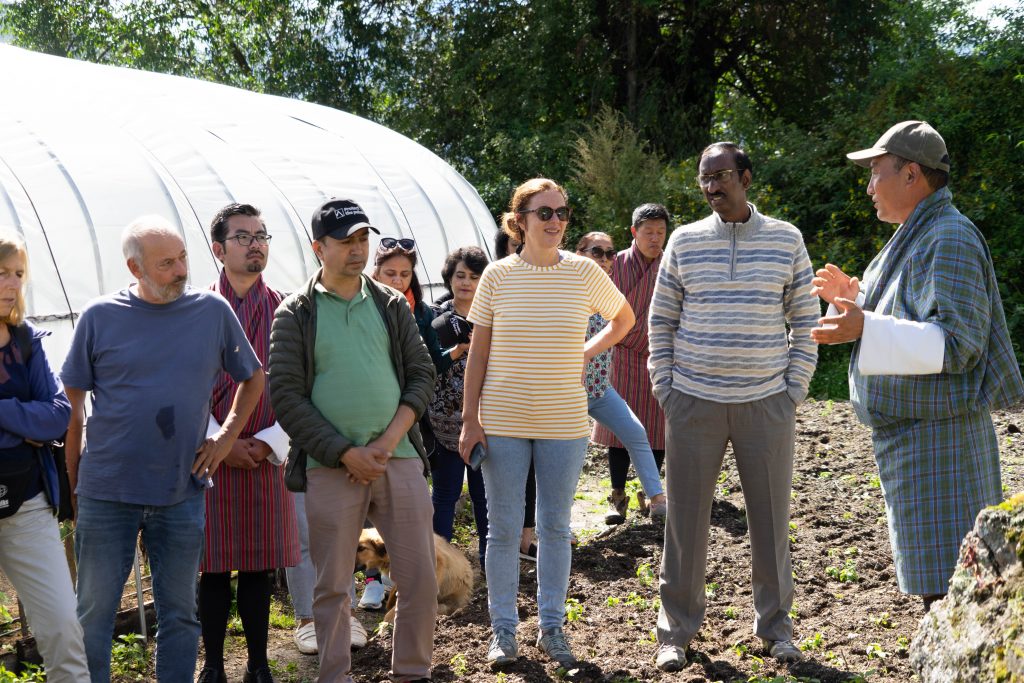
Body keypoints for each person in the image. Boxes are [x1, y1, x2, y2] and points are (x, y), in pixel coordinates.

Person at [810, 120, 1024, 609]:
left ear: (911, 174)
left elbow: (959, 344)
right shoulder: (923, 231)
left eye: (875, 173)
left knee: (952, 594)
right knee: (943, 590)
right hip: (920, 440)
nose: (868, 188)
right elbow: (914, 314)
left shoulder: (949, 237)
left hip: (940, 445)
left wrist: (866, 326)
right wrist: (859, 298)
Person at [62, 216, 264, 683]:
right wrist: (74, 482)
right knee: (93, 614)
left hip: (180, 490)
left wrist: (226, 436)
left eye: (183, 258)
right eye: (166, 263)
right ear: (135, 268)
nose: (180, 270)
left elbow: (253, 379)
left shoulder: (211, 312)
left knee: (180, 614)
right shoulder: (100, 316)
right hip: (107, 489)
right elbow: (72, 408)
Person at [648, 142, 819, 671]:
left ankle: (775, 628)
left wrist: (792, 390)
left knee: (769, 520)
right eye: (704, 178)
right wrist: (667, 389)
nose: (711, 186)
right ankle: (675, 631)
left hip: (765, 404)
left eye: (721, 176)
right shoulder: (684, 240)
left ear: (745, 177)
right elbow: (661, 321)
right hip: (693, 403)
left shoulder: (786, 239)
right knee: (684, 523)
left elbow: (805, 321)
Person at [460, 178, 634, 670]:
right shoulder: (496, 276)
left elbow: (623, 320)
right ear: (519, 221)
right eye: (544, 213)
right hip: (503, 419)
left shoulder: (583, 273)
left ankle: (552, 629)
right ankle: (503, 633)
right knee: (502, 529)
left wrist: (587, 350)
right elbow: (479, 353)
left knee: (556, 528)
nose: (555, 221)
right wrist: (470, 420)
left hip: (564, 420)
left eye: (562, 212)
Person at [268, 198, 437, 683]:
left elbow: (421, 374)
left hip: (397, 457)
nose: (357, 250)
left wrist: (386, 440)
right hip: (329, 465)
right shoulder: (295, 313)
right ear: (318, 247)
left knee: (420, 578)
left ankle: (412, 673)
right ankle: (334, 675)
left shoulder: (388, 304)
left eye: (363, 239)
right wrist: (345, 452)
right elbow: (287, 396)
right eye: (345, 242)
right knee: (332, 586)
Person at [197, 203, 301, 683]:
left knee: (259, 567)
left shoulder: (286, 310)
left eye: (261, 235)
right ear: (218, 249)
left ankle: (259, 665)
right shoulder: (194, 310)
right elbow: (181, 386)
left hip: (265, 454)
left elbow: (300, 385)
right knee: (212, 568)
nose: (255, 243)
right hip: (208, 458)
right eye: (243, 236)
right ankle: (214, 666)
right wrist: (218, 441)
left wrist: (266, 441)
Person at [0, 230, 90, 683]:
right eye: (0, 273)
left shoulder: (26, 340)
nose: (11, 284)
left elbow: (56, 415)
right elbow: (36, 418)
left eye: (17, 273)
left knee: (61, 625)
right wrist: (20, 426)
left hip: (26, 504)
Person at [575, 232, 666, 520]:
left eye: (610, 253)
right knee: (569, 458)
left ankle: (658, 500)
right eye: (596, 252)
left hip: (599, 388)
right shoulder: (566, 291)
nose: (604, 259)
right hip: (565, 392)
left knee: (636, 432)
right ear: (579, 253)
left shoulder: (609, 295)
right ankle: (557, 525)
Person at [427, 246, 490, 568]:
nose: (466, 283)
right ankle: (440, 565)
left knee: (483, 497)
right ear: (449, 278)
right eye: (460, 276)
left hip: (483, 422)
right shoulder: (434, 318)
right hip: (442, 423)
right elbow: (426, 366)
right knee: (444, 495)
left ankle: (488, 561)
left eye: (474, 276)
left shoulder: (492, 317)